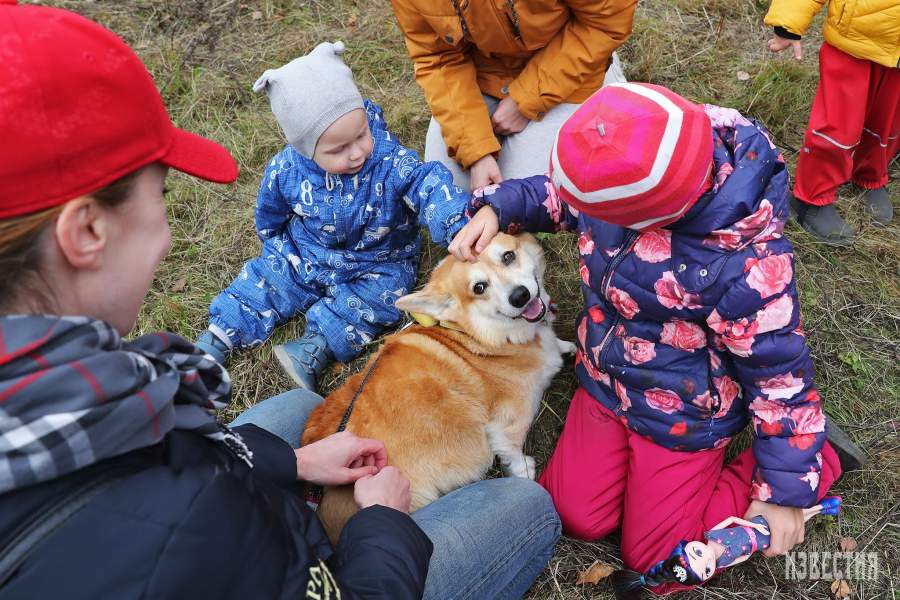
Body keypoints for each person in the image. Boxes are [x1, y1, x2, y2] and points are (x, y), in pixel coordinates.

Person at [0, 3, 560, 599]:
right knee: (530, 509)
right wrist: (381, 525)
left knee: (299, 407)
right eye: (159, 193)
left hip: (234, 504)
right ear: (87, 233)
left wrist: (290, 465)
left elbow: (180, 451)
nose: (165, 234)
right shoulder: (190, 521)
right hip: (309, 566)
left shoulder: (96, 394)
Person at [449, 82, 863, 593]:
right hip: (607, 381)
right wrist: (501, 207)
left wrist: (784, 492)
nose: (582, 213)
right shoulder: (628, 160)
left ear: (648, 219)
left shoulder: (747, 267)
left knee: (657, 561)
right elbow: (562, 195)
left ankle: (819, 458)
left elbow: (779, 377)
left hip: (683, 414)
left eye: (598, 211)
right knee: (572, 513)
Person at [195, 41, 470, 391]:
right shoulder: (287, 170)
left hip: (379, 258)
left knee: (383, 294)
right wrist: (276, 241)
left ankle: (315, 346)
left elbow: (427, 184)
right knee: (267, 279)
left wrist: (456, 222)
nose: (356, 153)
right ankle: (218, 338)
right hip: (308, 251)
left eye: (361, 135)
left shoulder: (389, 161)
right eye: (339, 149)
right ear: (305, 149)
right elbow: (270, 210)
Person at [390, 0, 637, 191]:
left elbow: (606, 21)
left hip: (567, 69)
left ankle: (610, 83)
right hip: (485, 74)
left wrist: (524, 100)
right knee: (446, 185)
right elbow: (438, 57)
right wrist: (476, 151)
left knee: (519, 193)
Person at [764, 0, 899, 244]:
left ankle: (869, 174)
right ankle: (810, 199)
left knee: (886, 123)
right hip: (852, 39)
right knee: (837, 129)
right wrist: (788, 22)